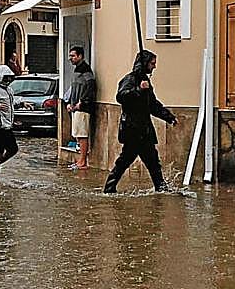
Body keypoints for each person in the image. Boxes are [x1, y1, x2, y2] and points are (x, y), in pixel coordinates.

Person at [103, 49, 176, 193]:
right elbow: (121, 97)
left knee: (152, 161)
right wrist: (139, 90)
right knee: (126, 161)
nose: (154, 67)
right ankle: (109, 188)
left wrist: (168, 117)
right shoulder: (130, 80)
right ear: (145, 64)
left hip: (143, 129)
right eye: (152, 63)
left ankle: (160, 187)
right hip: (133, 129)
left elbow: (152, 105)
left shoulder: (145, 80)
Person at [67, 46, 96, 169]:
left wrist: (82, 102)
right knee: (77, 134)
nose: (70, 58)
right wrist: (69, 102)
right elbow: (74, 89)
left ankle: (83, 161)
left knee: (82, 135)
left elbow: (91, 86)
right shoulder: (77, 70)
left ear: (80, 56)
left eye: (73, 56)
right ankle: (80, 160)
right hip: (75, 108)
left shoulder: (86, 70)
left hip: (82, 109)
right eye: (70, 56)